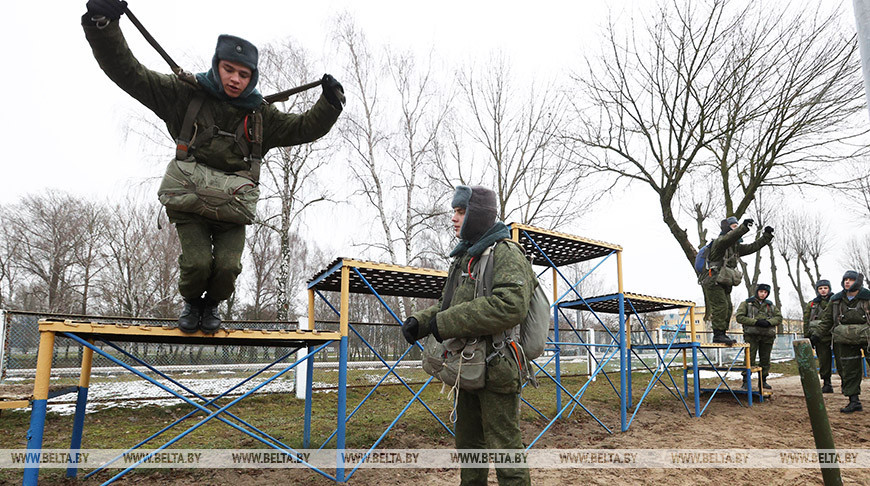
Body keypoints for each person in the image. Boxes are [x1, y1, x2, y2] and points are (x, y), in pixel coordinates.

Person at [82, 0, 343, 333]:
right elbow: (130, 73)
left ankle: (212, 306)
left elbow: (303, 126)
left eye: (243, 74)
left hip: (232, 208)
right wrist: (102, 23)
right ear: (217, 65)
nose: (235, 79)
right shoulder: (183, 95)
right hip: (188, 202)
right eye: (229, 69)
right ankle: (193, 302)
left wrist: (329, 103)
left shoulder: (261, 116)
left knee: (227, 268)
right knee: (197, 262)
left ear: (252, 77)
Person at [402, 185, 535, 486]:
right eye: (454, 211)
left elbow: (509, 305)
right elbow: (447, 305)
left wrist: (446, 322)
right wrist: (420, 323)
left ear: (479, 215)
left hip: (498, 369)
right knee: (469, 447)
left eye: (461, 212)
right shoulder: (465, 258)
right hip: (466, 367)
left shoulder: (506, 252)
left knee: (506, 451)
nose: (453, 218)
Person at [700, 217, 775, 344]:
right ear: (727, 229)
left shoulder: (735, 248)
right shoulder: (720, 243)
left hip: (723, 281)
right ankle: (718, 334)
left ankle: (722, 333)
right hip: (712, 280)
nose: (737, 228)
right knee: (721, 306)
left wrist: (766, 236)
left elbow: (753, 247)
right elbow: (728, 238)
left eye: (737, 226)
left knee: (728, 307)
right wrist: (744, 227)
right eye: (734, 226)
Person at [812, 271, 870, 413]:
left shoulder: (867, 297)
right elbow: (827, 320)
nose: (847, 282)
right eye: (845, 280)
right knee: (849, 371)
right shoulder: (837, 300)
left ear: (857, 282)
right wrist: (816, 335)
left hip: (868, 339)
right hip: (845, 341)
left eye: (851, 280)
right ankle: (854, 401)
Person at [735, 283, 782, 390]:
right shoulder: (747, 304)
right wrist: (755, 322)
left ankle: (763, 380)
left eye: (765, 292)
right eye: (761, 291)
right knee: (749, 358)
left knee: (765, 359)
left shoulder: (771, 306)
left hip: (767, 336)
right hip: (751, 335)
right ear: (757, 292)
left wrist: (769, 322)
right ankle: (746, 381)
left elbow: (779, 318)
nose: (763, 294)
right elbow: (739, 317)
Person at [804, 279, 835, 393]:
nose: (823, 290)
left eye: (825, 288)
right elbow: (807, 320)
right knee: (824, 361)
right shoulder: (812, 304)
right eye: (820, 288)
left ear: (829, 289)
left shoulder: (836, 301)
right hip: (819, 337)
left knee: (842, 361)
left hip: (835, 335)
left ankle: (846, 384)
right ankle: (827, 383)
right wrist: (808, 337)